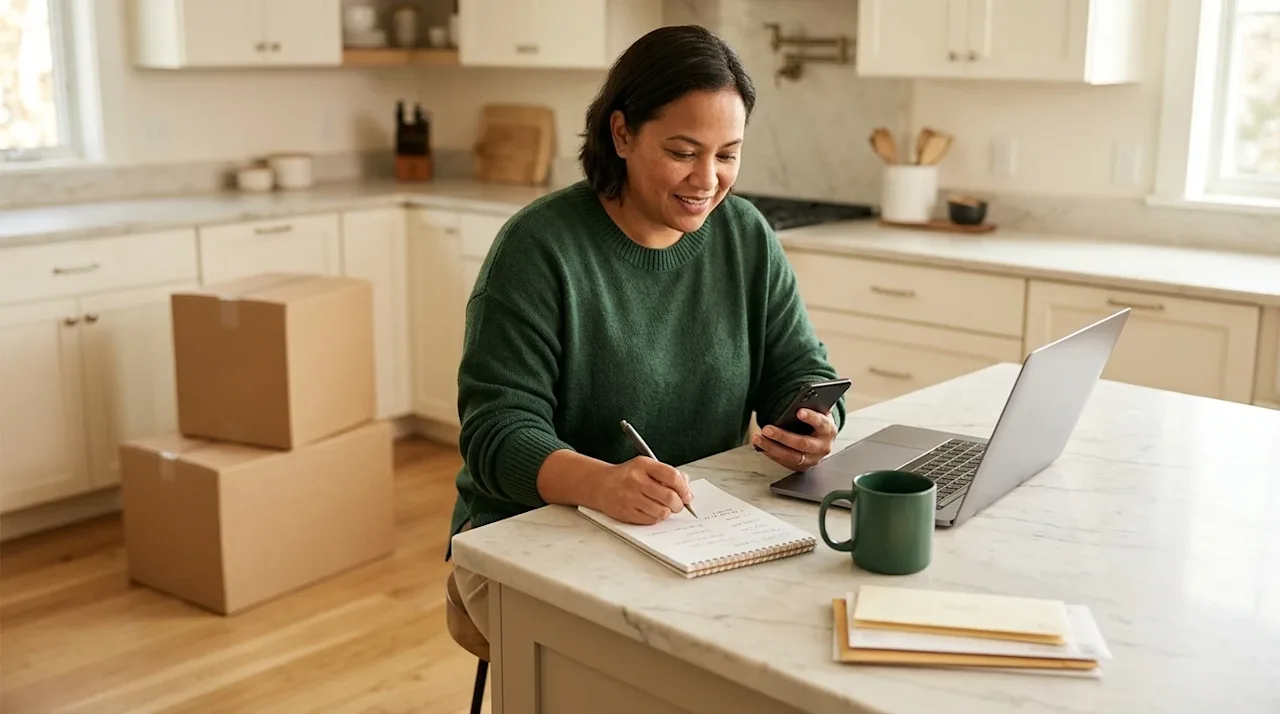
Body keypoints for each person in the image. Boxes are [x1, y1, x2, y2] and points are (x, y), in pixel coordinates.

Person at [447, 25, 846, 639]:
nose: (707, 179)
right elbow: (496, 435)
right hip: (525, 533)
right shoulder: (539, 248)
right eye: (684, 152)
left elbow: (799, 367)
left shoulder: (744, 234)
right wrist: (602, 482)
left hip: (692, 527)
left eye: (727, 154)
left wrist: (813, 426)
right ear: (623, 133)